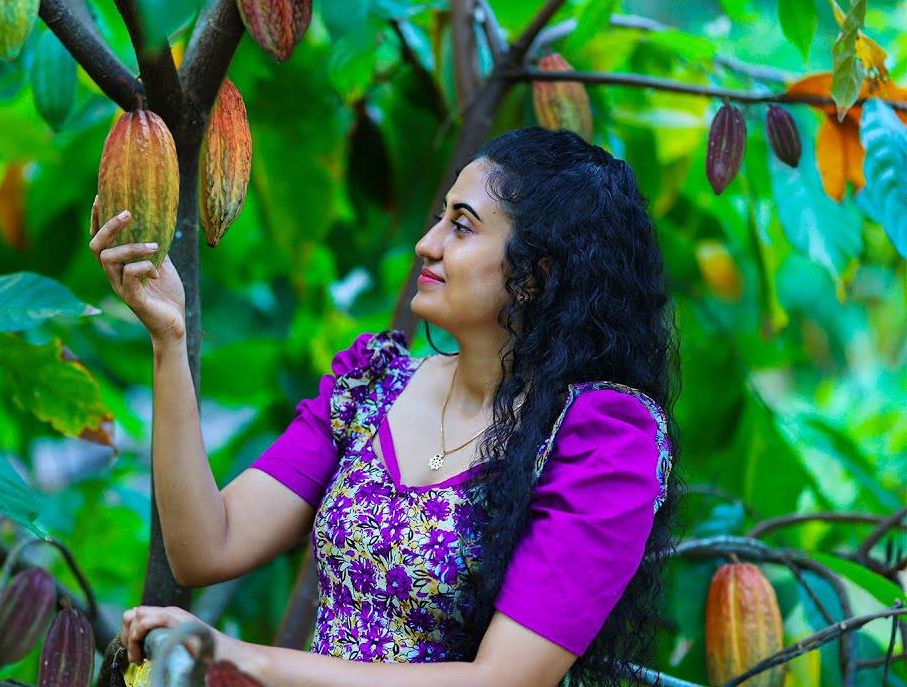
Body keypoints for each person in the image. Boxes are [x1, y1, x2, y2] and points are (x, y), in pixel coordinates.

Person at [88, 126, 680, 687]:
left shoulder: (602, 441)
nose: (428, 244)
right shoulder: (371, 383)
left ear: (536, 273)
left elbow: (506, 679)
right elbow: (205, 547)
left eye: (463, 227)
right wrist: (169, 340)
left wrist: (246, 661)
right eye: (439, 218)